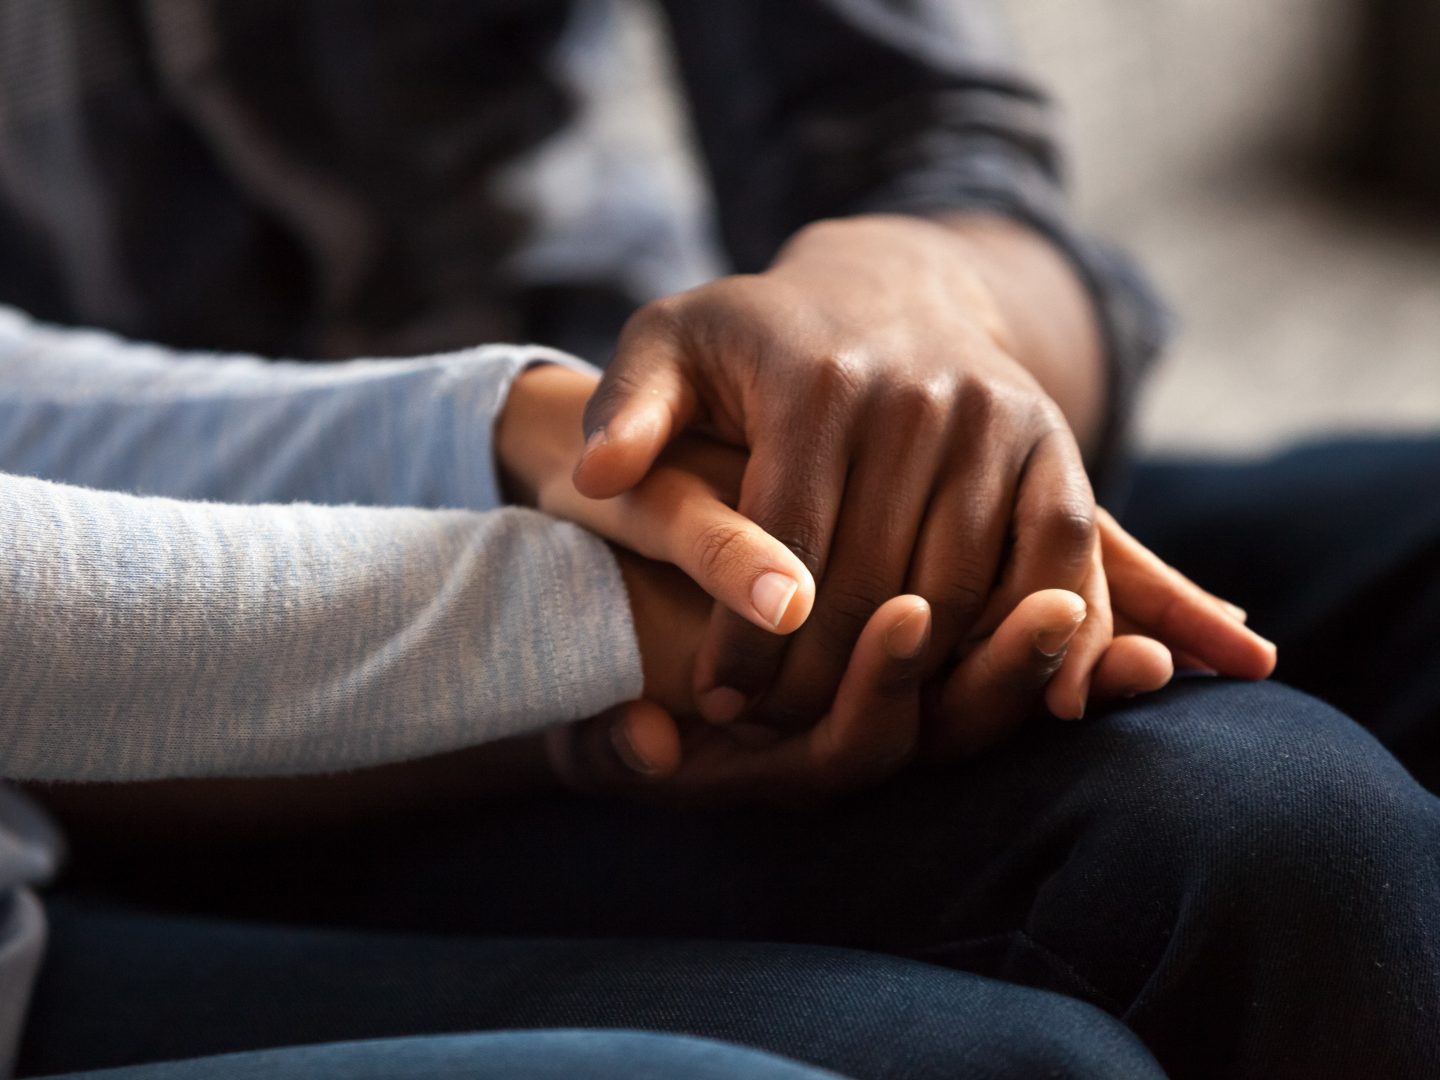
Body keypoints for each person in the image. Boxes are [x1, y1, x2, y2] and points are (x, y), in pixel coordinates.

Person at [0, 2, 1436, 1079]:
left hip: (674, 490)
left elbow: (935, 141)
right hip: (161, 736)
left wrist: (915, 311)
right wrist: (604, 633)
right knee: (1250, 833)